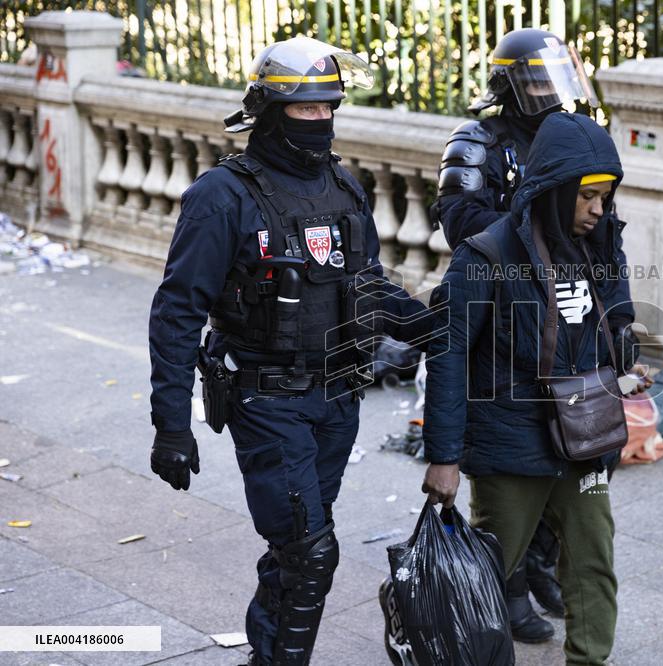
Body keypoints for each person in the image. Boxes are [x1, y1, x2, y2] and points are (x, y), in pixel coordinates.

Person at [147, 36, 434, 666]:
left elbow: (369, 285)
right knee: (311, 552)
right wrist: (171, 425)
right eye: (306, 110)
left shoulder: (345, 187)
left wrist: (439, 328)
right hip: (267, 401)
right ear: (272, 111)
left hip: (338, 399)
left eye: (329, 107)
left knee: (298, 547)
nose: (322, 120)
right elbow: (175, 314)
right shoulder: (221, 197)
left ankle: (266, 653)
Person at [421, 112, 649, 665]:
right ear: (553, 189)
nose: (599, 209)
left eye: (606, 195)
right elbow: (447, 354)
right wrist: (444, 458)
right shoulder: (486, 256)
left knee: (593, 557)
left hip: (585, 438)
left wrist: (625, 354)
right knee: (486, 579)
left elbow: (615, 320)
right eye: (587, 196)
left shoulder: (602, 244)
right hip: (509, 444)